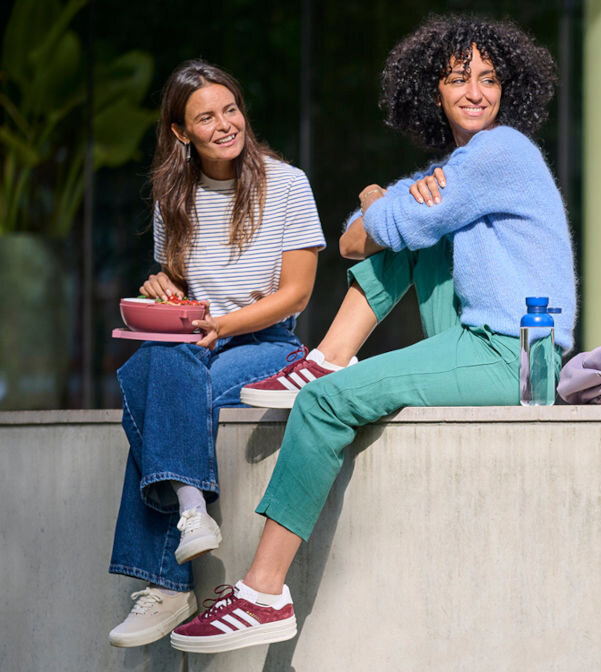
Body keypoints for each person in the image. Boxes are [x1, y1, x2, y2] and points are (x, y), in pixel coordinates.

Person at [169, 16, 576, 654]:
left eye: (490, 79)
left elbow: (369, 228)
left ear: (509, 89)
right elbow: (356, 239)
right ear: (432, 91)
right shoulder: (460, 167)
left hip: (518, 354)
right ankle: (329, 357)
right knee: (415, 241)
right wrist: (387, 207)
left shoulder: (501, 152)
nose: (476, 91)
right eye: (458, 78)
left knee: (325, 403)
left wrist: (377, 198)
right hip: (483, 337)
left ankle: (263, 590)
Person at [107, 60, 326, 648]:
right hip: (194, 342)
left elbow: (296, 292)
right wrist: (162, 286)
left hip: (265, 342)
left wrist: (228, 320)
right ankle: (190, 512)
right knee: (157, 362)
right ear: (182, 133)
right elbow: (180, 285)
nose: (226, 124)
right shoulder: (172, 195)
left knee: (161, 390)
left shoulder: (286, 183)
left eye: (230, 109)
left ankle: (166, 582)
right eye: (206, 117)